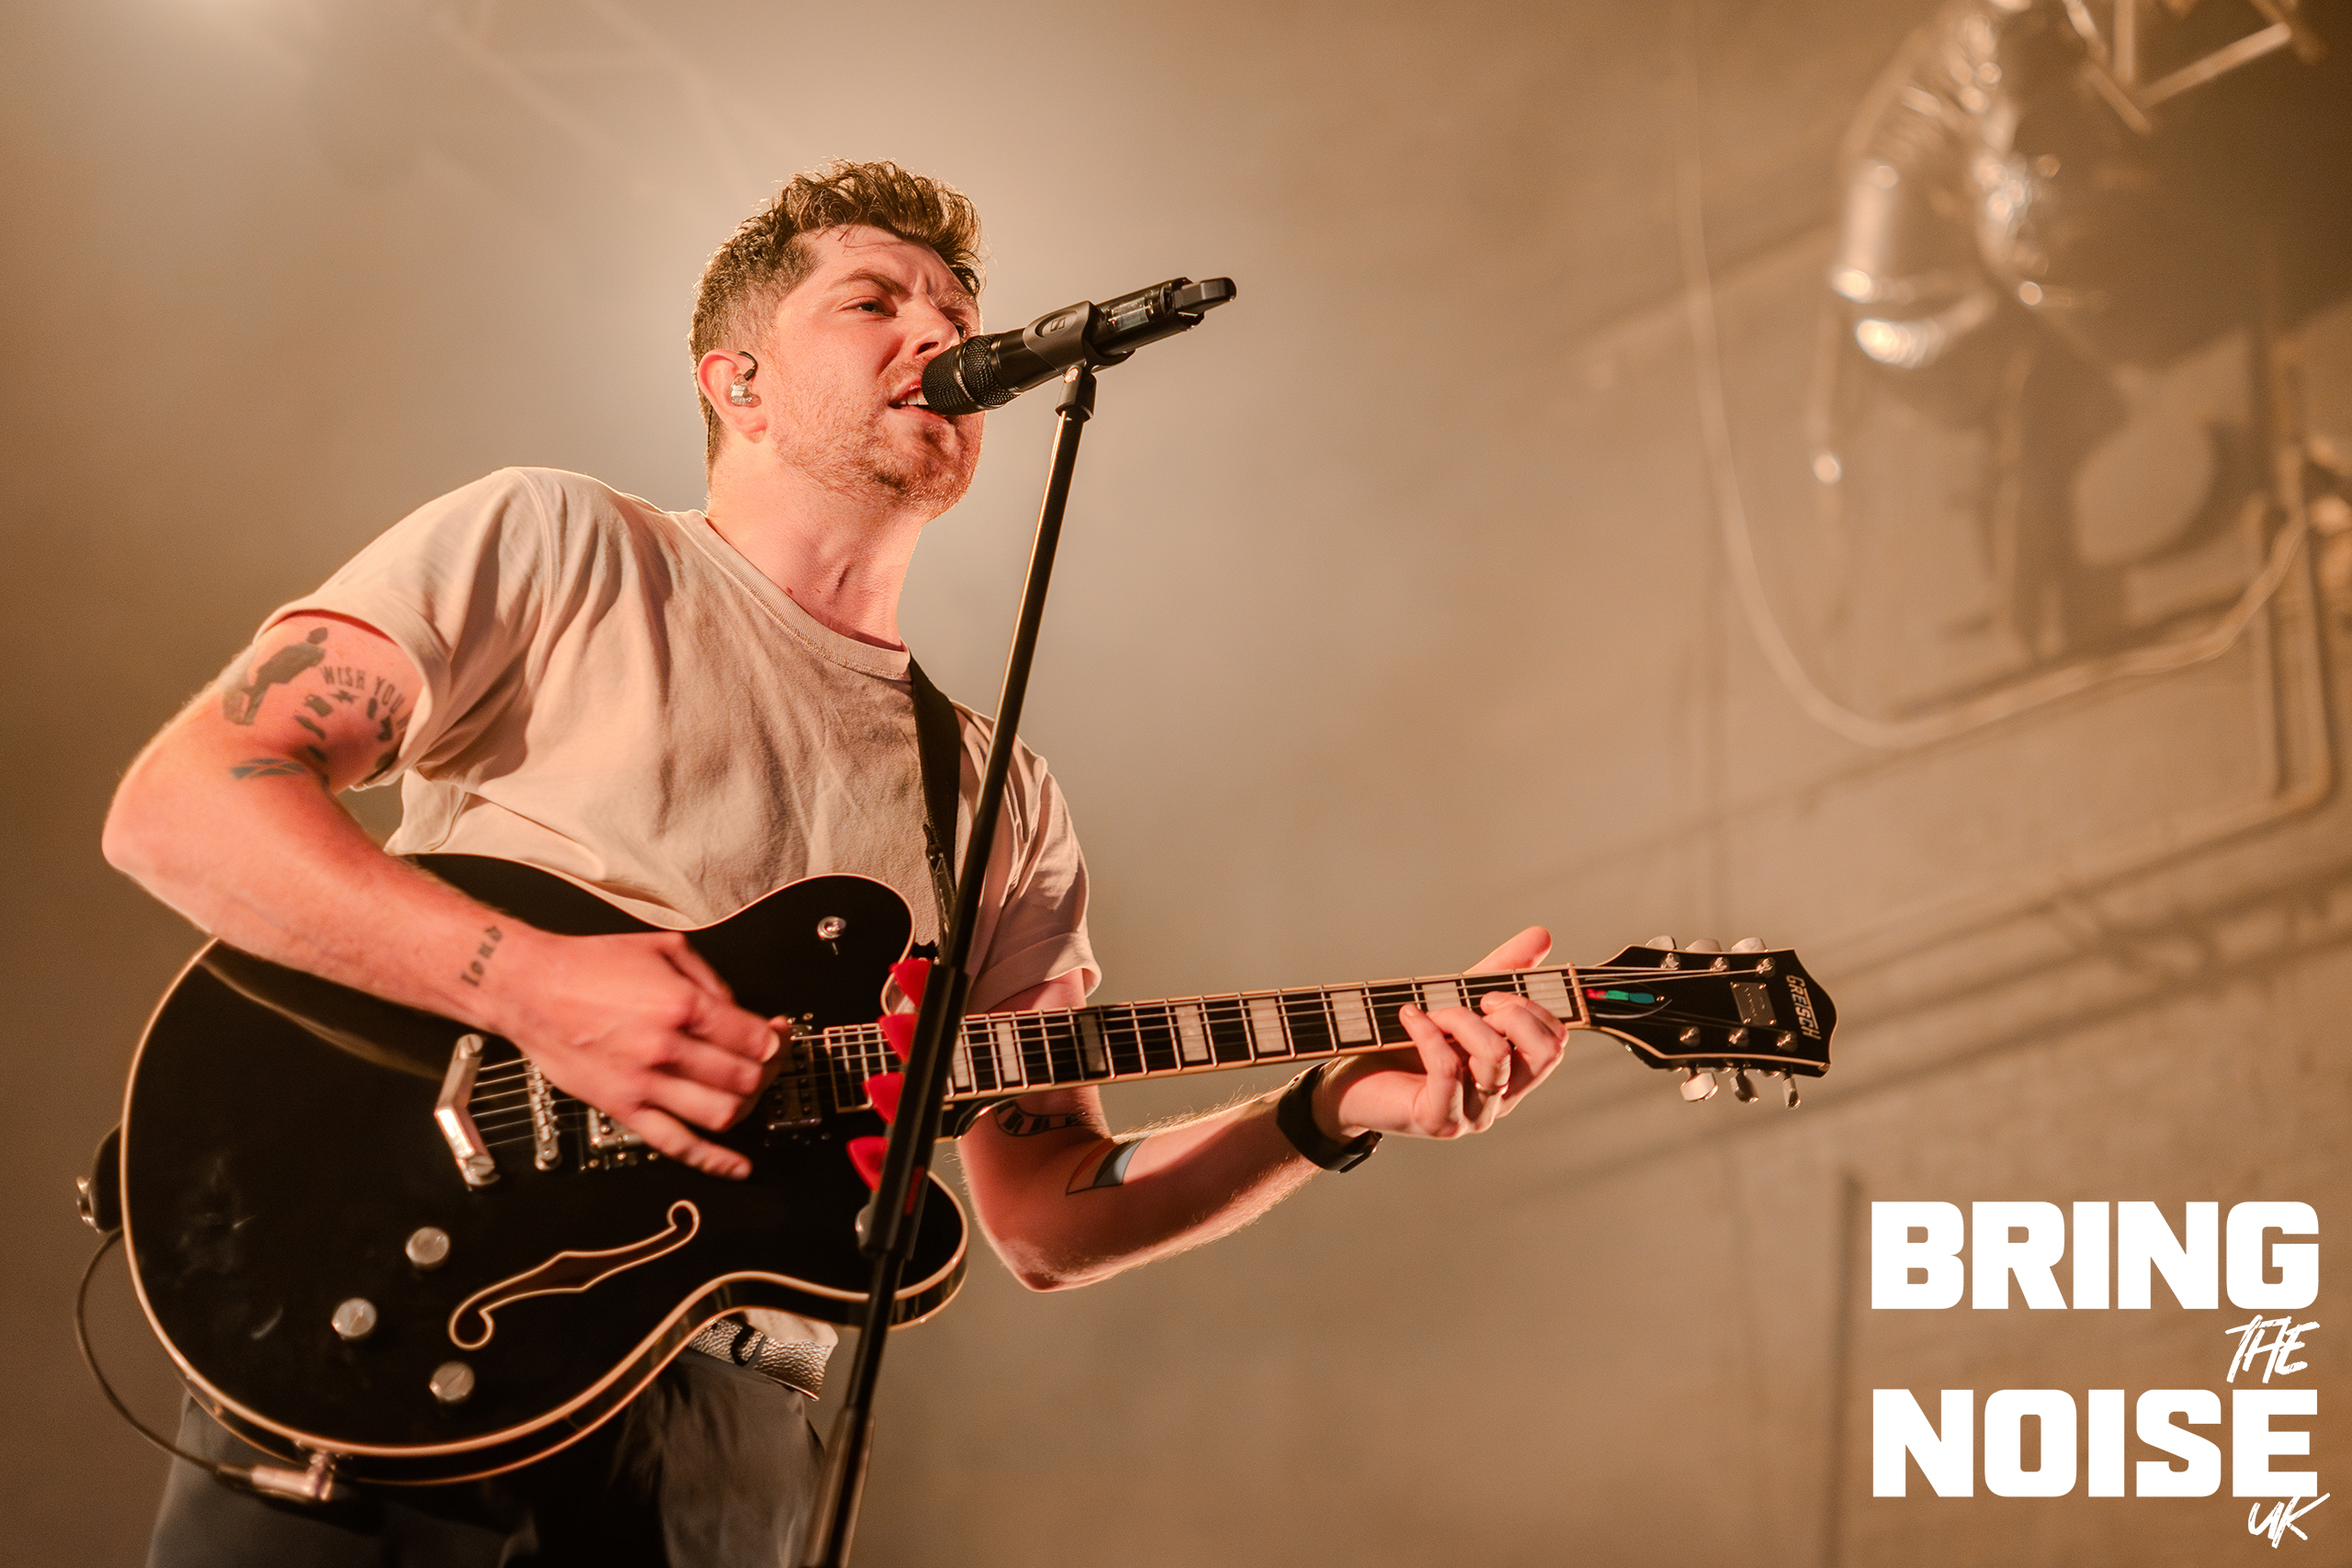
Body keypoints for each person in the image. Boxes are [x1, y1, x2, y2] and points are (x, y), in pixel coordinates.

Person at [103, 160, 1571, 1566]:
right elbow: (183, 805)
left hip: (724, 1434)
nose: (938, 331)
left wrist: (1327, 1106)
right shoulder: (563, 544)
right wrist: (534, 987)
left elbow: (1045, 1208)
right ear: (734, 381)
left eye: (956, 308)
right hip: (395, 1309)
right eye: (874, 300)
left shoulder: (998, 795)